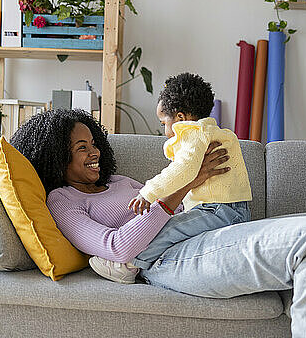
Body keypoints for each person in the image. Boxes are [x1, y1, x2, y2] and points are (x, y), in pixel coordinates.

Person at [11, 109, 306, 338]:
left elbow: (163, 202)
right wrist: (183, 187)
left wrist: (197, 187)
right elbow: (121, 248)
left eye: (91, 144)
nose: (91, 154)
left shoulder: (119, 180)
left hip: (204, 230)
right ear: (55, 156)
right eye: (78, 148)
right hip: (168, 259)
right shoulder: (63, 201)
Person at [89, 73, 252, 284]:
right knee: (175, 229)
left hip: (220, 211)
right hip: (228, 210)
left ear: (181, 118)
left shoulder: (195, 134)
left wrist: (147, 193)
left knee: (169, 229)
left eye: (164, 122)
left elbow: (183, 169)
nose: (165, 131)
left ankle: (129, 265)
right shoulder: (213, 132)